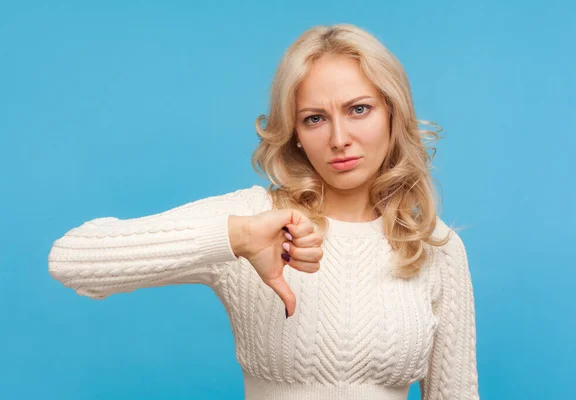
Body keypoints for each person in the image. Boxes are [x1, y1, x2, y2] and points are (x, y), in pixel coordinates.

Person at [48, 23, 480, 400]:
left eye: (359, 109)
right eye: (314, 118)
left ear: (393, 113)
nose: (339, 138)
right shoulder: (256, 219)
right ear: (293, 133)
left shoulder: (432, 246)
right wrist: (235, 239)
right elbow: (73, 260)